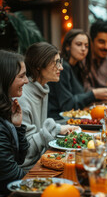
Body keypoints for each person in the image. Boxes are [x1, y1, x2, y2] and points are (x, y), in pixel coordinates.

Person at [18, 42, 79, 171]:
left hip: (42, 159)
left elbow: (40, 131)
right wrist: (55, 128)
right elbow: (27, 150)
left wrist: (58, 128)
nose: (61, 67)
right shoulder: (22, 97)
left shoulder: (42, 89)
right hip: (29, 168)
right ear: (40, 65)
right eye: (56, 62)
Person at [48, 29, 107, 120]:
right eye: (79, 44)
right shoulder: (62, 68)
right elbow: (67, 105)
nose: (83, 49)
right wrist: (93, 94)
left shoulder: (78, 66)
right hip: (58, 121)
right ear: (68, 46)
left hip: (73, 119)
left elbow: (79, 97)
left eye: (86, 46)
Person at [0, 50, 30, 197]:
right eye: (21, 76)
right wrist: (41, 181)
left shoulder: (6, 110)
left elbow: (20, 158)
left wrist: (17, 127)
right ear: (5, 79)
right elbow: (10, 176)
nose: (26, 81)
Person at [85, 19, 107, 91]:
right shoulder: (83, 62)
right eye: (101, 42)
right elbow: (85, 90)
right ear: (91, 42)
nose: (106, 47)